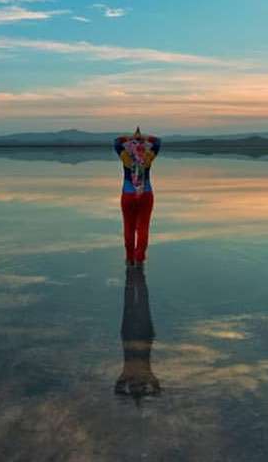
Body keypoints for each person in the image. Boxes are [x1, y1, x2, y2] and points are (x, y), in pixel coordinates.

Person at [114, 127, 161, 266]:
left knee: (128, 227)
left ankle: (130, 258)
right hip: (145, 193)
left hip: (128, 194)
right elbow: (157, 142)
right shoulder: (147, 156)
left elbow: (117, 142)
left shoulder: (126, 156)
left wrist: (129, 138)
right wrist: (144, 138)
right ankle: (139, 257)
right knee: (143, 227)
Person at [114, 265, 160, 400]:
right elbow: (157, 390)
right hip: (143, 334)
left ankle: (133, 272)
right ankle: (136, 273)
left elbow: (117, 390)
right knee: (139, 299)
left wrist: (128, 395)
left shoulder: (128, 375)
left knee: (135, 299)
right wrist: (145, 393)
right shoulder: (143, 375)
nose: (137, 385)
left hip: (132, 334)